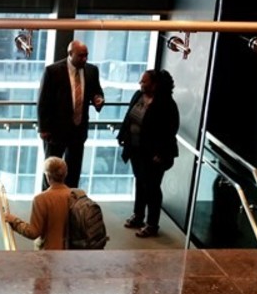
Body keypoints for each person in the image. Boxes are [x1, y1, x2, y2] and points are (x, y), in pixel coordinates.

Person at [117, 68, 179, 238]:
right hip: (136, 149)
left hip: (154, 154)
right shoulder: (138, 95)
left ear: (155, 85)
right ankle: (138, 216)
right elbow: (129, 117)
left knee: (152, 188)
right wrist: (122, 136)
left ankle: (152, 224)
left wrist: (161, 153)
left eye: (144, 81)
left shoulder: (166, 104)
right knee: (140, 182)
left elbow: (170, 131)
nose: (140, 83)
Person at [36, 40, 104, 189]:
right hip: (56, 130)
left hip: (78, 130)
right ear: (70, 53)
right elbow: (43, 101)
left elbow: (96, 91)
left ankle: (70, 199)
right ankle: (48, 199)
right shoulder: (53, 71)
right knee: (52, 169)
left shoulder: (92, 70)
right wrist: (43, 128)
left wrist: (98, 99)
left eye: (86, 55)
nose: (84, 59)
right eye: (81, 56)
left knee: (74, 170)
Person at [4, 156, 71, 250]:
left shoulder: (41, 199)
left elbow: (33, 232)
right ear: (65, 174)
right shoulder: (75, 196)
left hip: (48, 253)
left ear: (47, 176)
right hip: (71, 253)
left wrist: (14, 221)